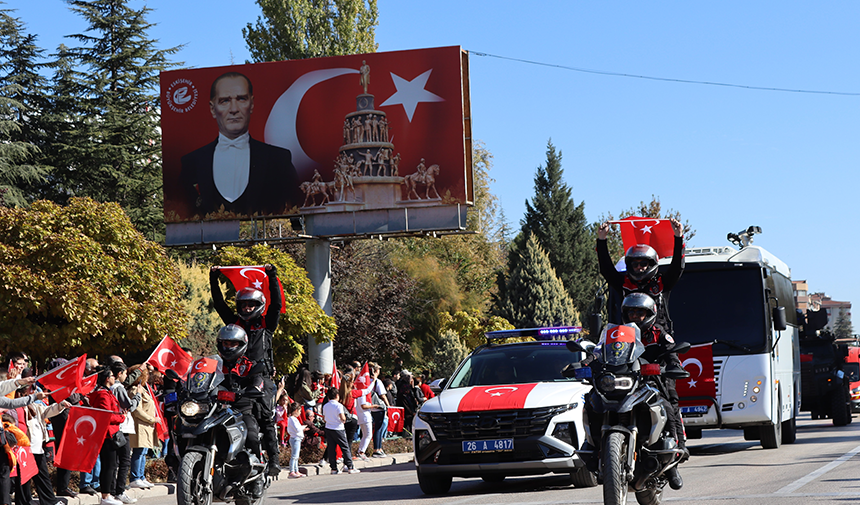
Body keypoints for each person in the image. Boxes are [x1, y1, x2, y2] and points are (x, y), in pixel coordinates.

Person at [180, 71, 301, 217]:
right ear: (213, 109)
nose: (234, 109)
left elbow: (295, 208)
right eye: (225, 101)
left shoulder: (279, 159)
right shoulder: (191, 163)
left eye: (241, 99)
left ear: (251, 104)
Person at [211, 263, 283, 477]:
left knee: (265, 417)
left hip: (260, 377)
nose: (247, 308)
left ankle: (274, 459)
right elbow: (218, 303)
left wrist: (272, 275)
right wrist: (213, 278)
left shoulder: (266, 324)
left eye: (251, 305)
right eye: (243, 305)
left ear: (259, 305)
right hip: (234, 376)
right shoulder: (234, 323)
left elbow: (277, 304)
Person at [597, 218, 684, 333]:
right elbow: (606, 269)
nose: (639, 267)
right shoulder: (624, 283)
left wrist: (678, 237)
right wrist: (602, 239)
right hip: (628, 337)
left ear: (651, 265)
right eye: (635, 264)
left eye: (643, 264)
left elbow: (677, 267)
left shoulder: (661, 282)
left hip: (658, 340)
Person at [88, 365, 135, 505]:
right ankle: (105, 496)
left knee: (111, 465)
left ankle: (107, 494)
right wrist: (121, 417)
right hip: (108, 434)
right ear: (107, 379)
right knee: (109, 466)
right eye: (113, 376)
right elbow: (106, 415)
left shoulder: (104, 392)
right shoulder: (103, 394)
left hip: (109, 433)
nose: (115, 378)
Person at [128, 366, 157, 490]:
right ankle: (135, 477)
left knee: (143, 453)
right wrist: (151, 419)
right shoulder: (135, 390)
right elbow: (137, 411)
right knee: (138, 452)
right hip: (140, 425)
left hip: (146, 426)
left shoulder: (143, 390)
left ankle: (141, 476)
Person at [321, 388, 359, 475]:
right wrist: (344, 420)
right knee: (345, 447)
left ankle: (333, 468)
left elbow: (324, 418)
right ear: (337, 396)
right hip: (338, 428)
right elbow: (342, 417)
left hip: (329, 428)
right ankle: (350, 467)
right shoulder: (339, 406)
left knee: (331, 448)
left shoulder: (325, 406)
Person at [285, 403, 306, 478]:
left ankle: (296, 470)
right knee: (294, 456)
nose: (300, 413)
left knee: (296, 456)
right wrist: (303, 428)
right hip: (295, 438)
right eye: (300, 411)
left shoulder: (293, 419)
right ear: (296, 410)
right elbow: (297, 429)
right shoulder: (292, 419)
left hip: (297, 438)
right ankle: (292, 471)